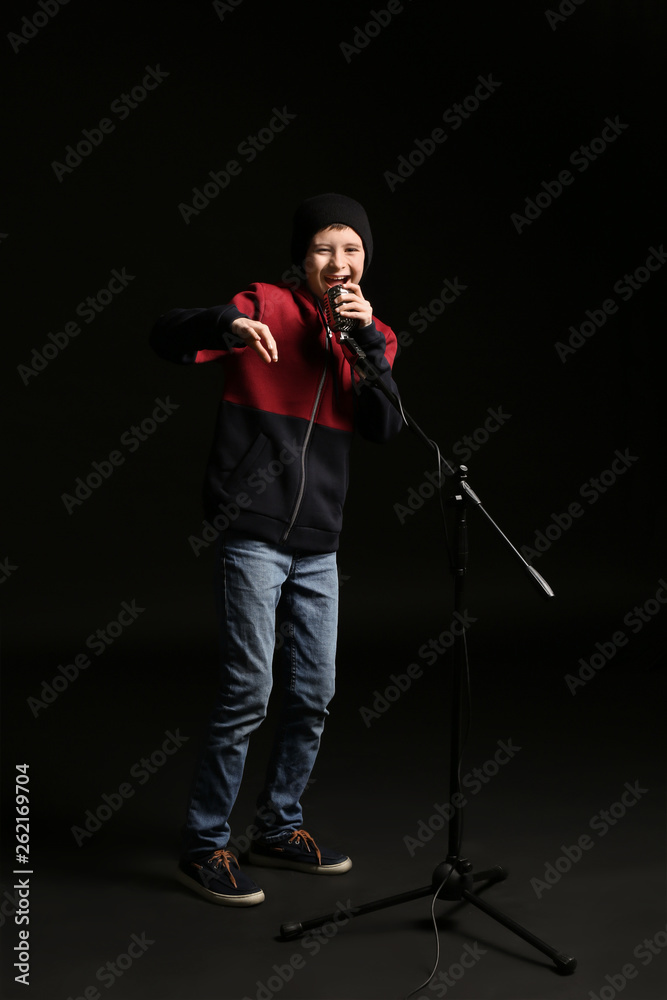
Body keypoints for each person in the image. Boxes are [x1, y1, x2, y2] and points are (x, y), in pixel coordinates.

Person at [150, 192, 403, 905]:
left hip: (319, 540)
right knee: (247, 690)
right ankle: (204, 844)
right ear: (303, 257)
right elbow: (166, 333)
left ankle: (278, 828)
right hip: (252, 530)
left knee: (314, 692)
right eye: (325, 248)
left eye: (351, 249)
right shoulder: (261, 303)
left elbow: (385, 427)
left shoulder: (371, 333)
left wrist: (364, 348)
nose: (338, 262)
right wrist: (228, 326)